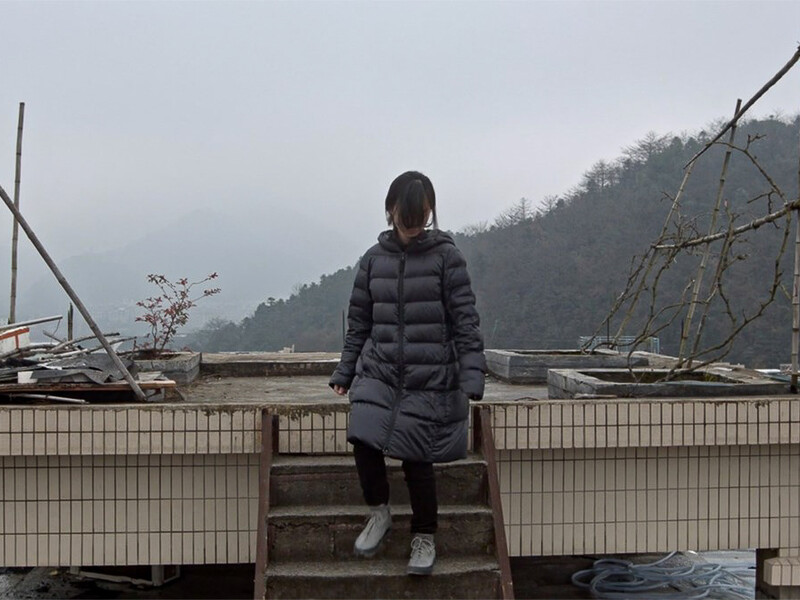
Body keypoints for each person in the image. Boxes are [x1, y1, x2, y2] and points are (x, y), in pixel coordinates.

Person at [329, 170, 485, 576]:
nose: (413, 225)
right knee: (362, 435)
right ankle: (379, 513)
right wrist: (346, 370)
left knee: (418, 458)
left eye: (420, 216)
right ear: (391, 210)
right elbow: (359, 322)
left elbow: (465, 321)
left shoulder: (447, 257)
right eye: (406, 217)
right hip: (379, 371)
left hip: (429, 375)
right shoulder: (372, 260)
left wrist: (471, 374)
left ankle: (424, 536)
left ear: (430, 211)